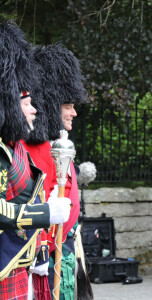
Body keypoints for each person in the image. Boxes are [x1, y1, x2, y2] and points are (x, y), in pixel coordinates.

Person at [0, 20, 71, 300]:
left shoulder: (13, 146)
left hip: (18, 265)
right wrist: (45, 213)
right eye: (26, 103)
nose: (34, 110)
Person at [31, 44, 91, 300]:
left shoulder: (57, 144)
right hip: (48, 252)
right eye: (68, 105)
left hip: (68, 246)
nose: (74, 112)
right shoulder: (36, 148)